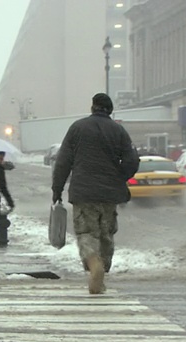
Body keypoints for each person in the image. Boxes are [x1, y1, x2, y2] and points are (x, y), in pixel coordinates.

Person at [52, 93, 139, 295]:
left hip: (83, 191)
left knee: (86, 232)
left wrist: (57, 189)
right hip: (110, 193)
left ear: (93, 107)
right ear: (110, 109)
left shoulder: (77, 128)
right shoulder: (119, 131)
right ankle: (102, 272)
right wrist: (119, 177)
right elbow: (132, 161)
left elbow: (63, 161)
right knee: (106, 233)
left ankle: (93, 263)